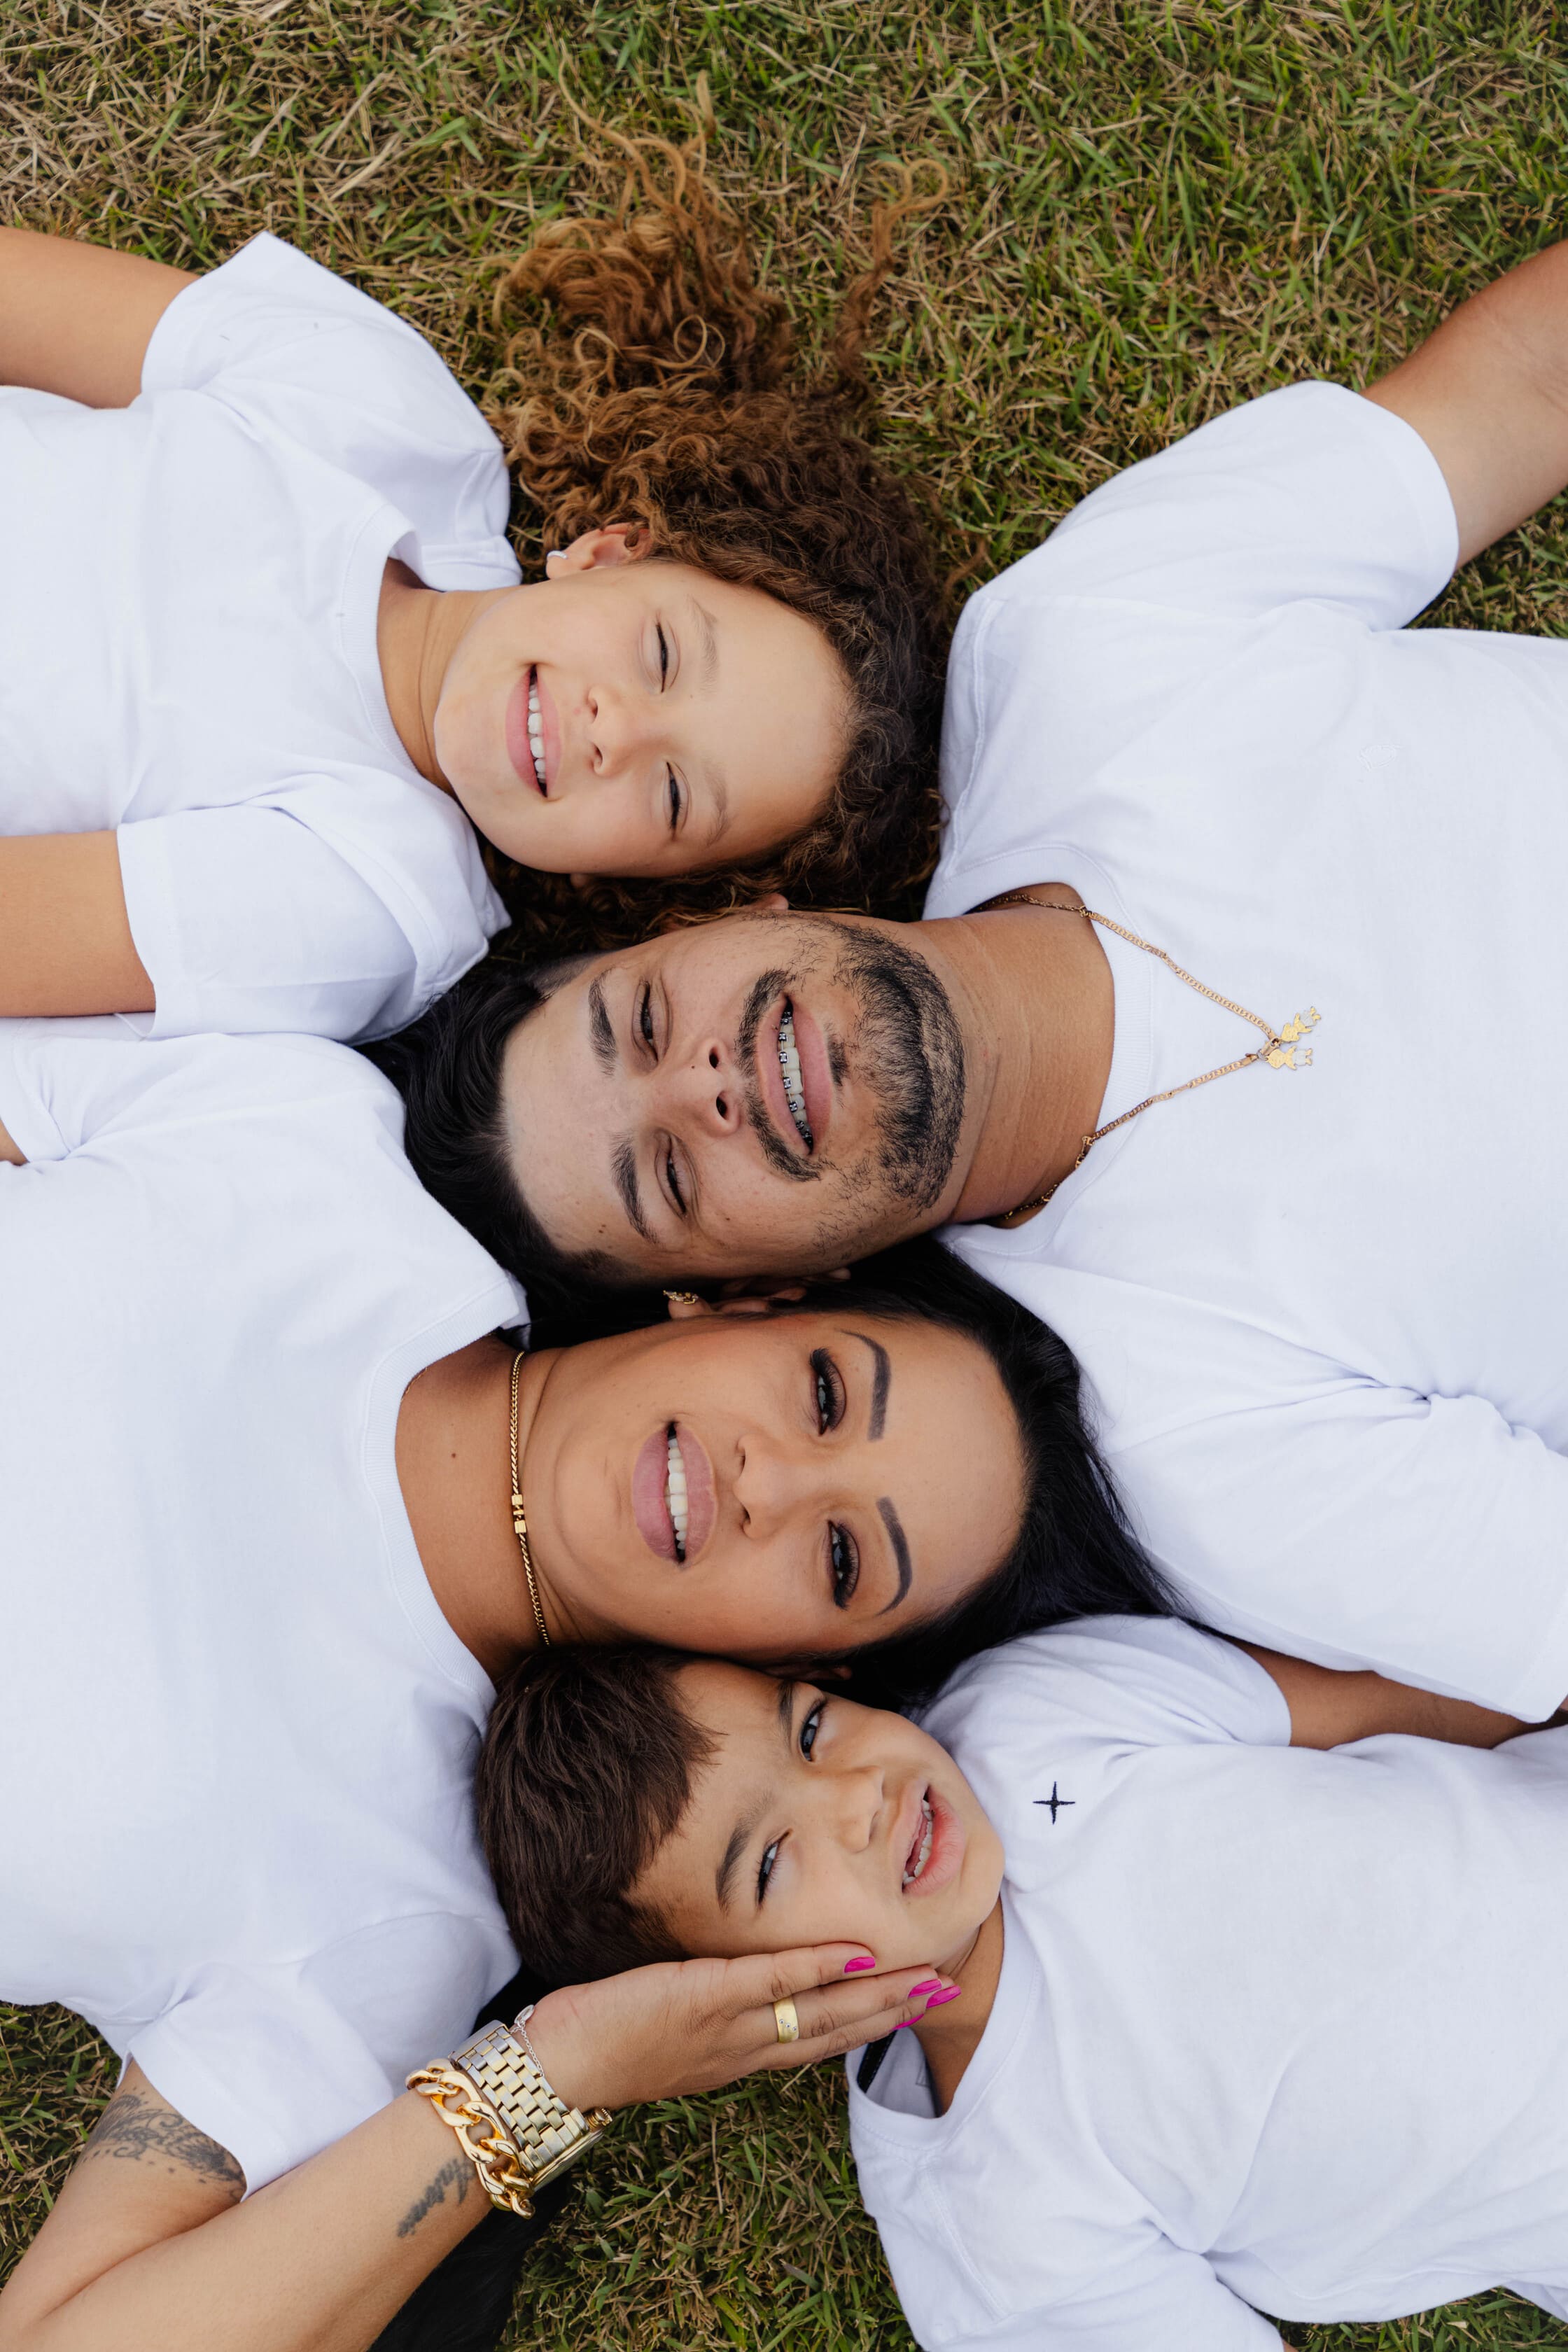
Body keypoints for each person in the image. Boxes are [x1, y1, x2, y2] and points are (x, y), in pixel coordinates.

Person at [386, 230, 1568, 1723]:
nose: (706, 1086)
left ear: (717, 912)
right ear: (768, 1288)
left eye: (639, 1025)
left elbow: (1518, 392)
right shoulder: (1202, 1447)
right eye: (669, 1179)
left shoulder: (1079, 654)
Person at [0, 1014, 1163, 2349]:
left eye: (842, 1557)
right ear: (759, 1299)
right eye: (828, 1396)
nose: (768, 1481)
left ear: (810, 1662)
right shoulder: (299, 1140)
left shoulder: (396, 1912)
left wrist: (556, 2078)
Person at [0, 139, 944, 1042]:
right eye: (662, 654)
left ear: (648, 887)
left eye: (672, 796)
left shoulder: (372, 899)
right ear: (610, 550)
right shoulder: (389, 422)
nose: (617, 729)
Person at [479, 1630, 1568, 2349]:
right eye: (771, 1862)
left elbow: (1400, 1706)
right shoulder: (998, 2220)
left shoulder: (1033, 1712)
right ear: (722, 2004)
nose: (857, 1796)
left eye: (810, 1727)